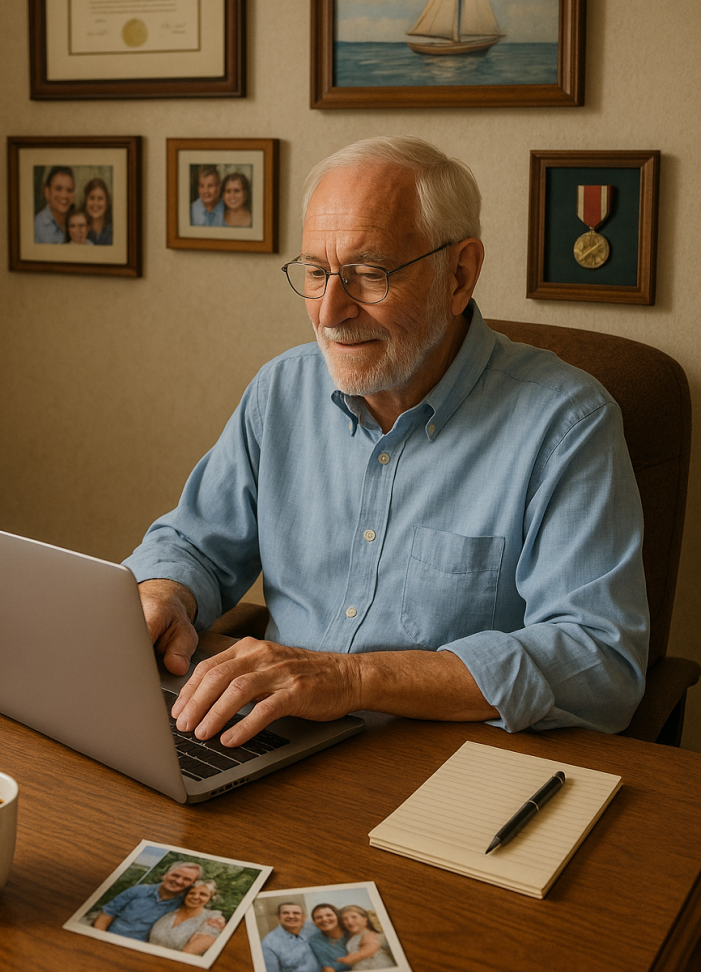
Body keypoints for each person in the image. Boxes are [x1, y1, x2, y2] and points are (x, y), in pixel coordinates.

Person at [125, 135, 649, 750]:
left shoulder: (567, 424)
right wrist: (165, 592)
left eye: (368, 275)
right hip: (269, 737)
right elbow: (195, 543)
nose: (329, 312)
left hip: (450, 763)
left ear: (460, 274)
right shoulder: (282, 390)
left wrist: (352, 679)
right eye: (316, 273)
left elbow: (599, 660)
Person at [92, 861, 202, 941]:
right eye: (175, 875)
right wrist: (98, 939)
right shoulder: (138, 890)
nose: (178, 881)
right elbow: (107, 915)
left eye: (187, 879)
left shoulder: (183, 905)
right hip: (107, 938)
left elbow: (202, 914)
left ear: (192, 884)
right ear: (166, 874)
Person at [147, 879, 225, 955]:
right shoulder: (169, 912)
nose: (195, 897)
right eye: (192, 893)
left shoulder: (213, 919)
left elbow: (187, 954)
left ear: (210, 898)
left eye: (203, 894)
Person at [260, 903, 321, 972]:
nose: (291, 916)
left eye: (296, 913)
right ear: (278, 918)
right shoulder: (268, 944)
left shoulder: (313, 928)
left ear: (304, 917)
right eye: (286, 913)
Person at [337, 905, 396, 971]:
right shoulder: (351, 938)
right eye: (345, 919)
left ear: (365, 919)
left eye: (354, 917)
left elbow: (370, 948)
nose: (349, 921)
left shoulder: (371, 935)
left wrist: (349, 959)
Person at [34, 166, 75, 243]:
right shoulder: (37, 226)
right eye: (58, 189)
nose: (64, 195)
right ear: (47, 192)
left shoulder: (75, 221)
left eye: (69, 190)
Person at [308, 903, 351, 972]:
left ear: (337, 917)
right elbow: (327, 967)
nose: (324, 919)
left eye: (329, 915)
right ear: (314, 922)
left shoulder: (350, 933)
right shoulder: (315, 941)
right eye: (319, 917)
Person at [83, 177, 113, 245]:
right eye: (92, 198)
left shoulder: (114, 231)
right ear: (86, 201)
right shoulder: (80, 231)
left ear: (107, 202)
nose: (95, 203)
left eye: (100, 198)